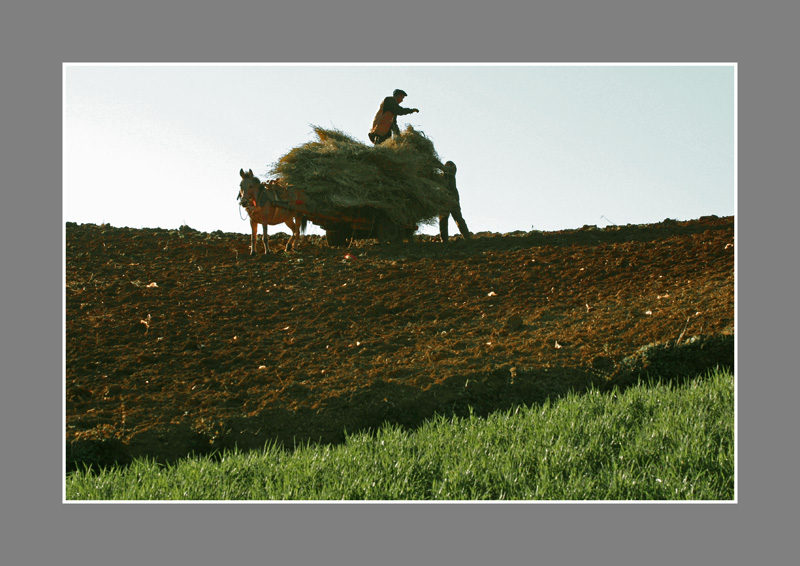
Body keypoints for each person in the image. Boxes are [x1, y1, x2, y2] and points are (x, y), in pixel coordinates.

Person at [438, 160, 472, 242]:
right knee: (443, 221)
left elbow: (444, 168)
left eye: (448, 165)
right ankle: (444, 240)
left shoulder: (451, 173)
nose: (446, 166)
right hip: (444, 200)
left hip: (452, 200)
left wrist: (434, 163)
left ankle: (467, 237)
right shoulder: (442, 176)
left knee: (458, 219)